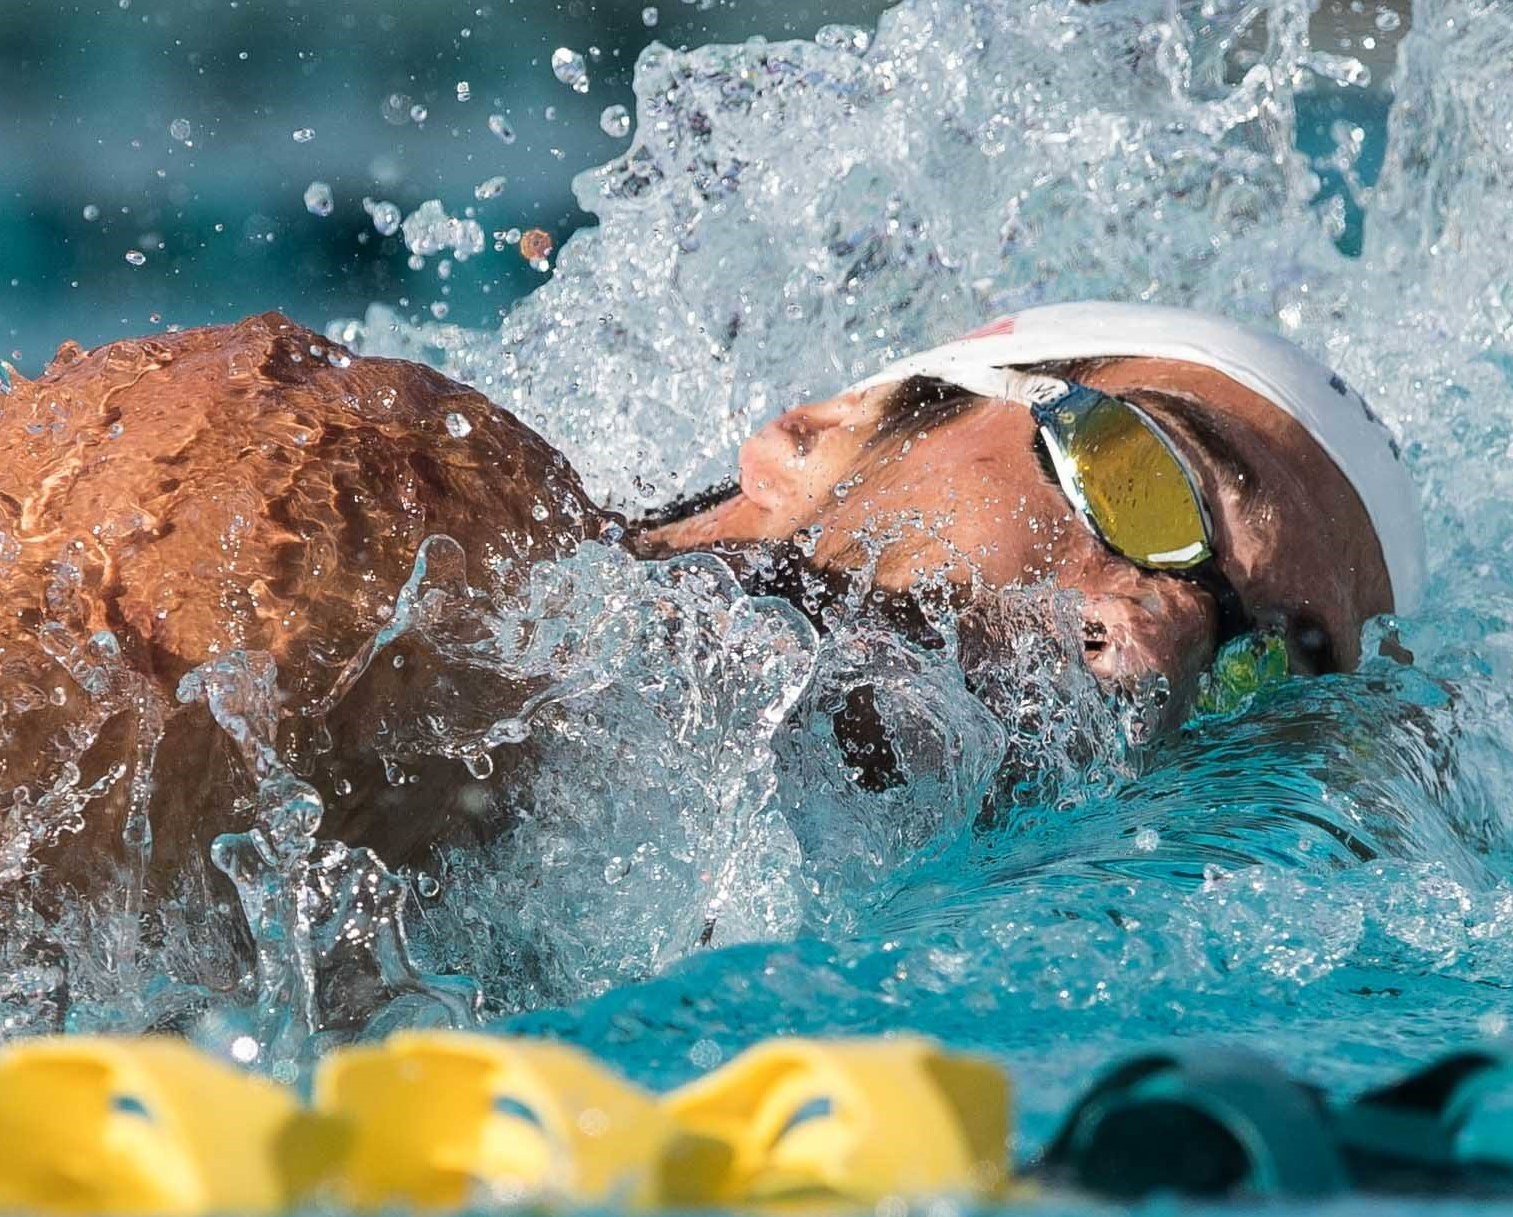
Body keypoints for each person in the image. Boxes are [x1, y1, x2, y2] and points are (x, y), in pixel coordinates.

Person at [0, 302, 1422, 894]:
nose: (1162, 642)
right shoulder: (385, 508)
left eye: (1256, 667)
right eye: (1149, 483)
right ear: (822, 433)